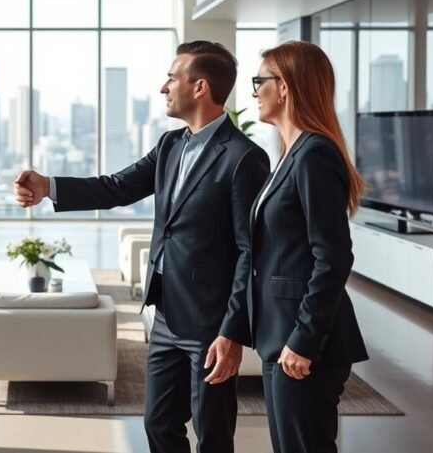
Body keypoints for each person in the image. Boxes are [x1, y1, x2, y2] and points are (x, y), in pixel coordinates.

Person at [14, 41, 270, 453]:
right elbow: (117, 186)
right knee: (157, 424)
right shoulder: (171, 146)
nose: (163, 87)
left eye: (172, 77)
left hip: (210, 323)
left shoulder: (244, 158)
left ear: (200, 87)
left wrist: (232, 331)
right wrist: (48, 187)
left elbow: (249, 252)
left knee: (213, 434)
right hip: (166, 313)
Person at [225, 40, 369, 453]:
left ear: (284, 87)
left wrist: (304, 339)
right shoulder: (290, 154)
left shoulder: (313, 155)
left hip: (304, 342)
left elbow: (334, 256)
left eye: (260, 81)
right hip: (280, 334)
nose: (254, 91)